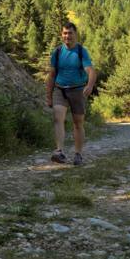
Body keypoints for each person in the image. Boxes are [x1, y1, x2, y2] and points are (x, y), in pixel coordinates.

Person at [45, 22, 96, 165]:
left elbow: (91, 71)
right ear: (62, 35)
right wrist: (48, 95)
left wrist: (90, 85)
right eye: (65, 33)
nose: (67, 36)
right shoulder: (57, 52)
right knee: (57, 118)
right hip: (60, 89)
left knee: (78, 123)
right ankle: (59, 151)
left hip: (78, 90)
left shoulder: (81, 51)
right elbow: (52, 74)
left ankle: (78, 154)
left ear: (75, 34)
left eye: (70, 33)